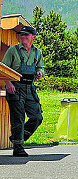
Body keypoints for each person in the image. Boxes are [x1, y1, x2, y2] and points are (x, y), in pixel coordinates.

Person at [3, 25, 45, 157]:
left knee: (37, 117)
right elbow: (3, 68)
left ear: (33, 37)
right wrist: (8, 83)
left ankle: (17, 138)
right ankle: (18, 148)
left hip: (30, 88)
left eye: (26, 35)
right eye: (21, 35)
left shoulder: (37, 52)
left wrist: (40, 72)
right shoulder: (12, 50)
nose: (23, 37)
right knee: (18, 119)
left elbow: (41, 67)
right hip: (15, 88)